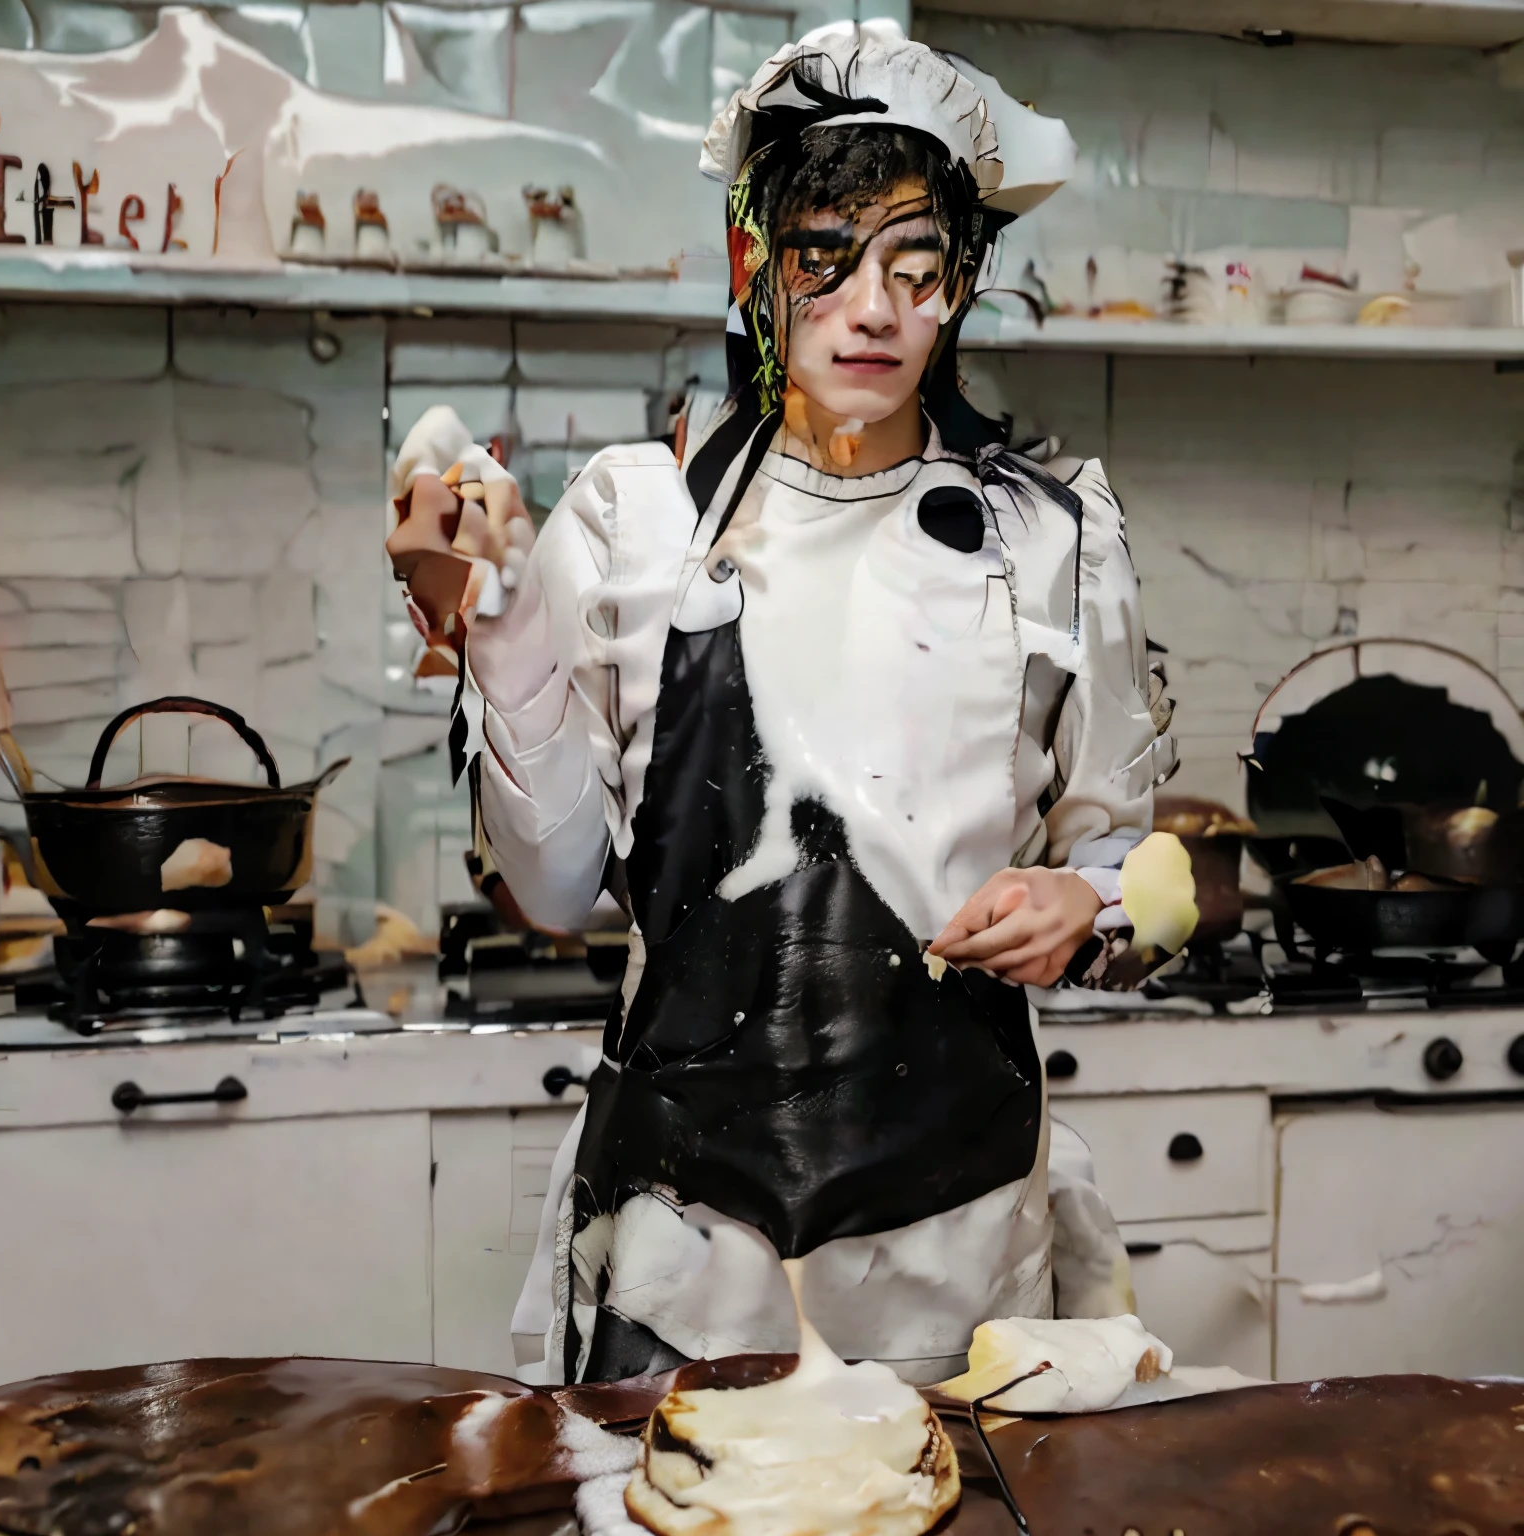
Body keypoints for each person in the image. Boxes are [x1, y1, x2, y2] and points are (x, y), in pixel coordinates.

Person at [387, 21, 1181, 1386]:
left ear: (963, 286)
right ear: (760, 266)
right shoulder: (634, 525)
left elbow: (1133, 871)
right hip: (684, 1259)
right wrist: (497, 628)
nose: (873, 308)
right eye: (828, 255)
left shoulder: (1049, 542)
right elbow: (560, 891)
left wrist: (1093, 904)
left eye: (918, 267)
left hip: (958, 1249)